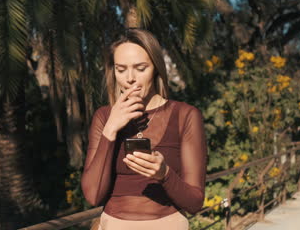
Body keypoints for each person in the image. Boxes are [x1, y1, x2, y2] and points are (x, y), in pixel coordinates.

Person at [81, 28, 207, 230]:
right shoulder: (104, 117)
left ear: (156, 68)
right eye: (121, 69)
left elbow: (195, 203)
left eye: (140, 68)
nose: (130, 78)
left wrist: (164, 174)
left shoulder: (186, 115)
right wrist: (110, 130)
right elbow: (93, 195)